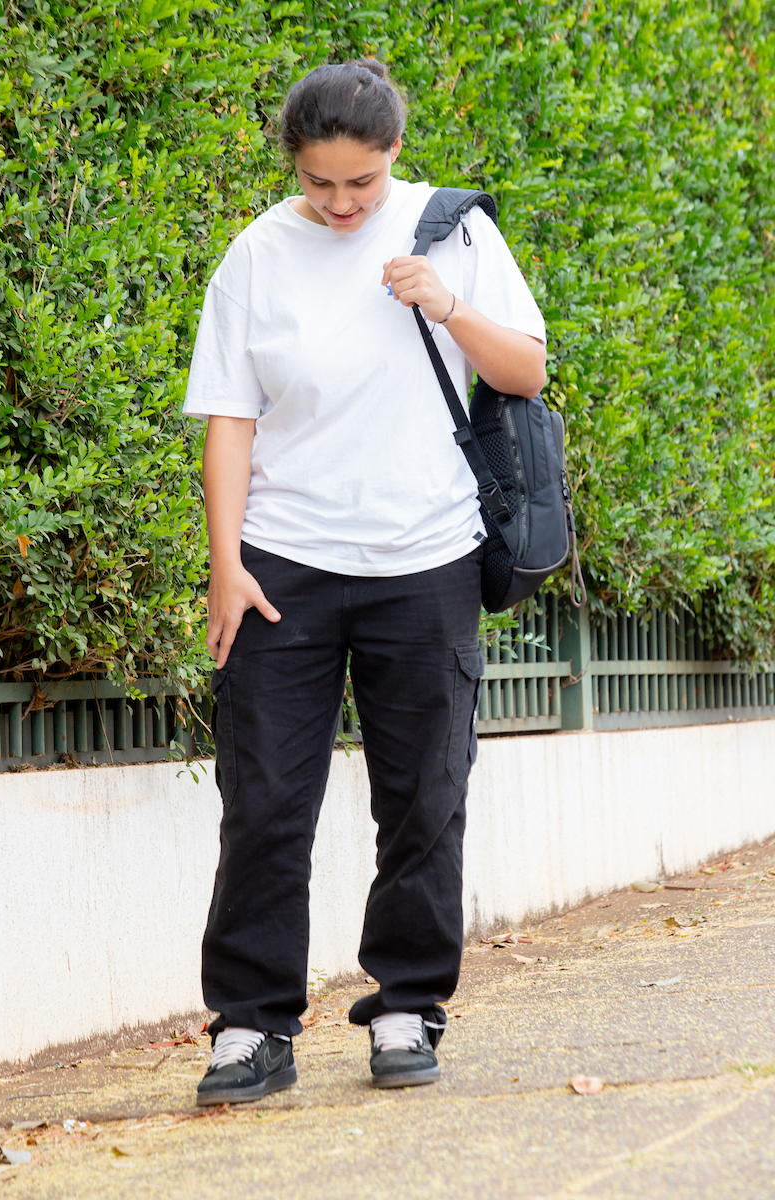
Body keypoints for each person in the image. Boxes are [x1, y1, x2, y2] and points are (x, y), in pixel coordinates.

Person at [182, 59, 546, 1104]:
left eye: (360, 184)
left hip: (423, 561)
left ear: (392, 152)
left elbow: (522, 370)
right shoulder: (258, 250)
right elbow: (229, 417)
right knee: (262, 800)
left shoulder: (453, 230)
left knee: (424, 796)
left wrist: (446, 308)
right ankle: (250, 1028)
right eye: (318, 184)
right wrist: (225, 560)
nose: (340, 205)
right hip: (284, 565)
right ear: (294, 165)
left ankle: (404, 1006)